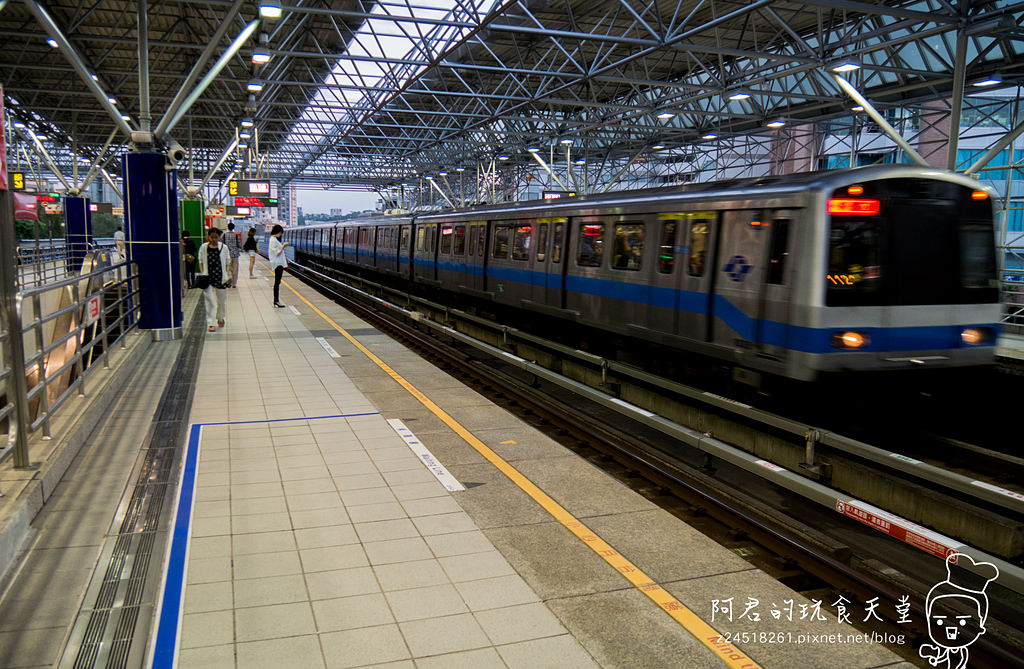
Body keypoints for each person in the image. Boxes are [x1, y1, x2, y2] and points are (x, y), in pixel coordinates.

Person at [197, 227, 231, 331]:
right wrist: (203, 272)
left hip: (221, 278)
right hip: (208, 278)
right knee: (210, 301)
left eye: (216, 237)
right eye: (212, 237)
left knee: (221, 301)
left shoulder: (223, 247)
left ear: (219, 237)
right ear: (208, 236)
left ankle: (220, 318)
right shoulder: (203, 247)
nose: (214, 240)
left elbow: (227, 261)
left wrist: (227, 274)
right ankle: (211, 323)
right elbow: (201, 260)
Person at [268, 224, 290, 308]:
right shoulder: (273, 240)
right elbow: (277, 253)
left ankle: (276, 300)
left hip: (278, 263)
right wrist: (283, 245)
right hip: (277, 263)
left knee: (278, 282)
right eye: (280, 233)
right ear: (277, 232)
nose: (280, 235)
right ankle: (276, 301)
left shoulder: (273, 239)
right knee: (277, 282)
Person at [223, 221, 242, 287]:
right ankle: (234, 283)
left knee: (228, 267)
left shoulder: (224, 235)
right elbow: (239, 245)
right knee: (235, 269)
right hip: (235, 254)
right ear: (233, 228)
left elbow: (223, 245)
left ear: (227, 228)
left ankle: (229, 276)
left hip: (227, 254)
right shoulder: (236, 236)